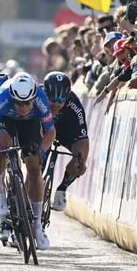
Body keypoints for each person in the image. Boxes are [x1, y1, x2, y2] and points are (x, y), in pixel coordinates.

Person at [0, 73, 56, 250]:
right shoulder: (3, 98)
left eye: (27, 103)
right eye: (19, 103)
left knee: (34, 167)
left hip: (30, 124)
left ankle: (37, 227)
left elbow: (50, 131)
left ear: (33, 98)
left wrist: (42, 151)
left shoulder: (40, 99)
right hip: (5, 120)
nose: (23, 107)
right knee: (1, 146)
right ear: (12, 97)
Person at [43, 72, 89, 212]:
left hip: (65, 131)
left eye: (61, 100)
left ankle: (62, 189)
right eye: (52, 99)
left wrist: (80, 159)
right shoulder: (36, 97)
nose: (56, 103)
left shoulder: (74, 104)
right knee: (36, 160)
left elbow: (82, 137)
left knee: (81, 157)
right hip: (43, 130)